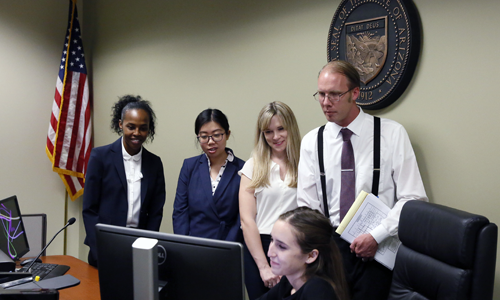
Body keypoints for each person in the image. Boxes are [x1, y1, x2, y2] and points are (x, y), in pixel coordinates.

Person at [297, 60, 427, 299]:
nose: (326, 103)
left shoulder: (391, 133)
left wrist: (376, 236)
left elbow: (413, 197)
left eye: (335, 94)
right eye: (321, 94)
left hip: (378, 249)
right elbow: (307, 205)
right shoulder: (311, 142)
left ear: (355, 93)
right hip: (329, 250)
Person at [83, 95, 166, 268]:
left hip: (140, 247)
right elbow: (90, 209)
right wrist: (99, 249)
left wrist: (148, 246)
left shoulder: (154, 163)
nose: (137, 133)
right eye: (131, 127)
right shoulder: (100, 157)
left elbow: (156, 211)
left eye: (143, 128)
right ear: (120, 124)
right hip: (106, 245)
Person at [239, 101, 301, 300]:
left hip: (295, 247)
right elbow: (247, 220)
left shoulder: (306, 163)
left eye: (281, 129)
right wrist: (264, 267)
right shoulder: (252, 166)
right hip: (260, 246)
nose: (275, 137)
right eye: (268, 132)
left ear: (291, 127)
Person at [173, 109, 245, 242]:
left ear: (227, 134)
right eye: (204, 136)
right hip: (193, 245)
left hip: (228, 245)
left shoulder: (243, 169)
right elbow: (180, 212)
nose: (210, 141)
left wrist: (227, 247)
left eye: (217, 135)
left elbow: (242, 218)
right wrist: (183, 244)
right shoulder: (189, 166)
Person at [257, 207, 349, 300]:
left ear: (311, 255)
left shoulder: (317, 290)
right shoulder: (288, 282)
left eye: (282, 247)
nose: (270, 253)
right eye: (272, 240)